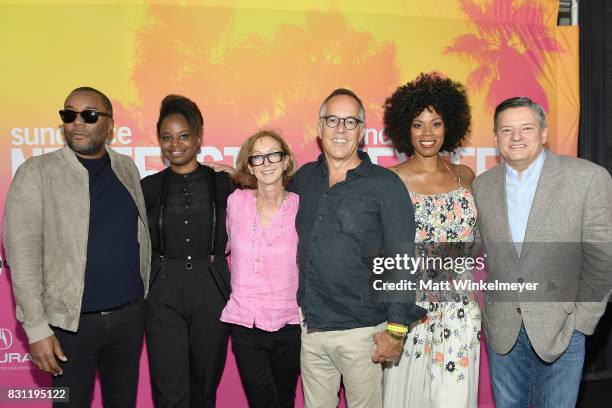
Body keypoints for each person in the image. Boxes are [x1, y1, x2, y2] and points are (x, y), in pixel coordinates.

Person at [3, 86, 151, 407]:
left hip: (128, 319)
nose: (78, 123)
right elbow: (22, 257)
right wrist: (37, 329)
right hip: (69, 326)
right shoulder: (36, 173)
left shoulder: (127, 169)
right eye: (69, 114)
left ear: (110, 124)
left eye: (89, 115)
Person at [289, 88, 426, 408]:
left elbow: (402, 259)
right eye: (332, 120)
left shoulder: (385, 185)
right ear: (319, 128)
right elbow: (265, 198)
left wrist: (396, 329)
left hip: (363, 334)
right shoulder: (304, 178)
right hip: (311, 330)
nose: (340, 129)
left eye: (350, 122)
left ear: (362, 132)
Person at [473, 96, 612, 408]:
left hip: (562, 328)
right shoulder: (482, 186)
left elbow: (603, 258)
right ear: (495, 138)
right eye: (506, 130)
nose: (517, 137)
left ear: (544, 132)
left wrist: (582, 321)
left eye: (526, 128)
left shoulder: (588, 178)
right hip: (502, 330)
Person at [381, 73, 481, 408]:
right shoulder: (390, 180)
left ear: (449, 126)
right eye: (418, 124)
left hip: (460, 311)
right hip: (411, 311)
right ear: (404, 129)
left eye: (436, 123)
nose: (427, 133)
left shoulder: (464, 175)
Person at [141, 95, 231, 408]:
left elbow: (278, 188)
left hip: (212, 288)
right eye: (166, 137)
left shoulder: (224, 183)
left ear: (198, 137)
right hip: (163, 289)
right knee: (168, 388)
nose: (174, 144)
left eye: (183, 136)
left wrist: (240, 174)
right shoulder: (147, 188)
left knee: (204, 386)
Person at [220, 130, 301, 408]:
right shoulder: (236, 203)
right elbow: (225, 246)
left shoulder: (301, 207)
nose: (266, 163)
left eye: (273, 155)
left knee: (285, 400)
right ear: (250, 165)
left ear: (286, 161)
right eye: (258, 157)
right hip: (246, 322)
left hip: (289, 322)